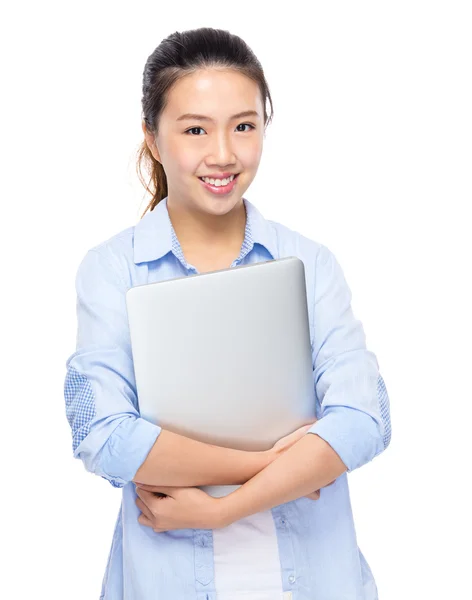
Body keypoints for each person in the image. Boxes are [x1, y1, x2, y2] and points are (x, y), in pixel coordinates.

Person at [63, 27, 392, 600]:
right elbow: (105, 437)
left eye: (244, 126)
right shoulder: (112, 269)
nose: (223, 154)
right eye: (195, 130)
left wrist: (223, 508)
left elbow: (363, 421)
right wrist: (283, 463)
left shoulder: (309, 263)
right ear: (152, 137)